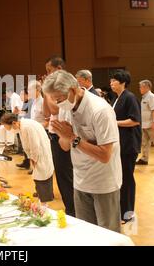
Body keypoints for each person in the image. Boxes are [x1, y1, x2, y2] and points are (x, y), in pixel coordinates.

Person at [43, 70, 122, 233]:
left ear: (72, 89)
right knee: (86, 233)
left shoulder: (100, 110)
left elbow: (105, 155)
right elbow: (64, 146)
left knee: (108, 234)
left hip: (103, 182)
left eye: (59, 99)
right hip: (80, 180)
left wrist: (73, 138)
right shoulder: (66, 107)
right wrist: (65, 137)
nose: (58, 104)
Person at [42, 56, 75, 217]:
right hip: (56, 135)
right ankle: (70, 208)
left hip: (65, 135)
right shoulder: (53, 88)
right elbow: (46, 112)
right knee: (62, 176)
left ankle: (73, 210)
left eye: (49, 70)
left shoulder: (66, 85)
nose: (47, 74)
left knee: (66, 175)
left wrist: (46, 92)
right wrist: (45, 92)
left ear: (59, 69)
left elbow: (55, 110)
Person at [0, 113, 55, 203]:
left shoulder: (27, 127)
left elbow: (34, 145)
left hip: (40, 153)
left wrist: (33, 158)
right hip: (39, 153)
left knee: (41, 176)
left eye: (9, 128)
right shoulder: (23, 125)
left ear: (14, 123)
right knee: (41, 175)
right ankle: (44, 194)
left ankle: (45, 200)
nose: (10, 130)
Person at [110, 70, 141, 223]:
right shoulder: (117, 98)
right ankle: (122, 210)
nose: (111, 83)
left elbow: (135, 120)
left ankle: (128, 214)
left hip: (129, 144)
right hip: (120, 144)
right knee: (121, 178)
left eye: (114, 80)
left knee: (127, 179)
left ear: (123, 82)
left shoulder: (129, 97)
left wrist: (115, 123)